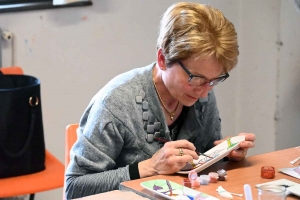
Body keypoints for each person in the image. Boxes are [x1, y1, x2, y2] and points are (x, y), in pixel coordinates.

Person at [65, 2, 256, 199]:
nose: (204, 93)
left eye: (214, 80)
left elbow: (201, 161)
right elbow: (73, 187)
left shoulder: (201, 90)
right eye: (196, 78)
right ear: (162, 58)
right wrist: (149, 167)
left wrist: (222, 154)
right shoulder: (115, 104)